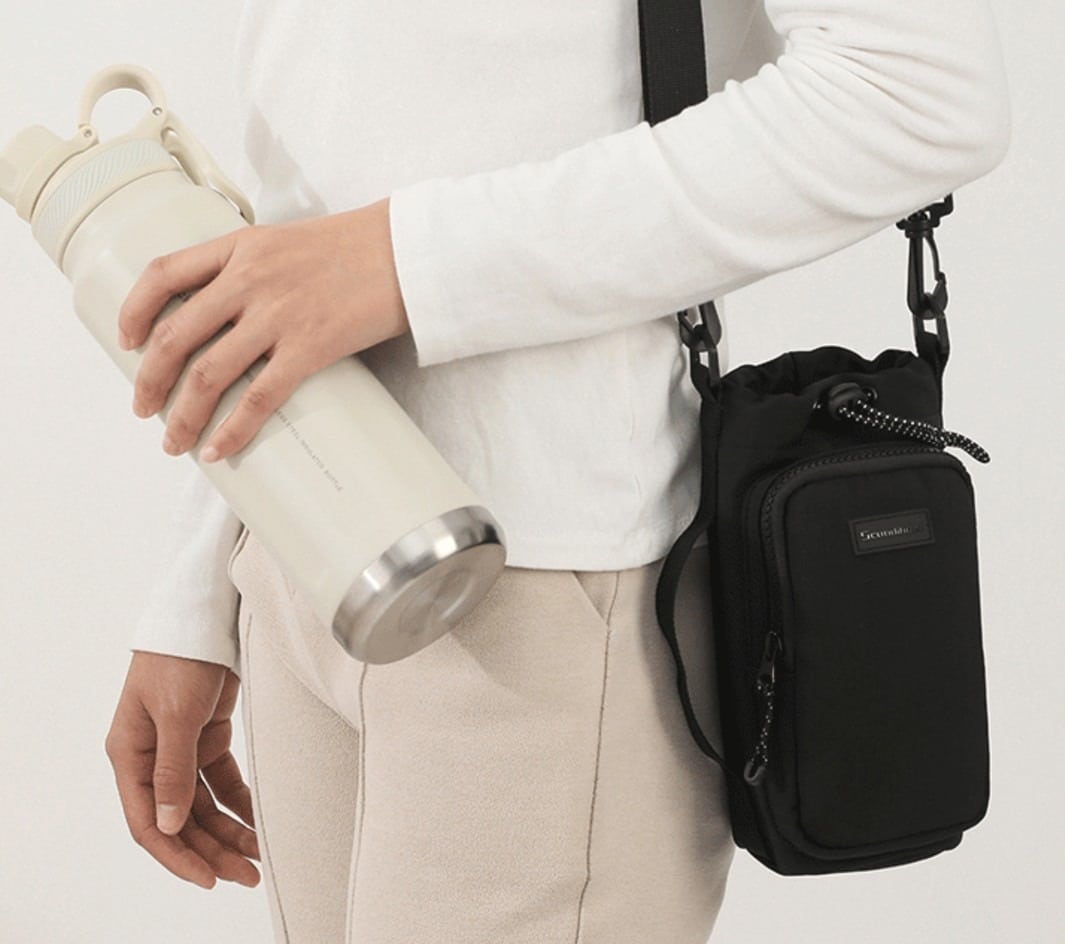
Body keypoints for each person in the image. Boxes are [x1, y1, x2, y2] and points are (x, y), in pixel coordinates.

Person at [104, 1, 1011, 941]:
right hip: (300, 548)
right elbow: (311, 186)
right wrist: (198, 593)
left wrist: (403, 261)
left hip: (543, 586)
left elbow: (917, 90)